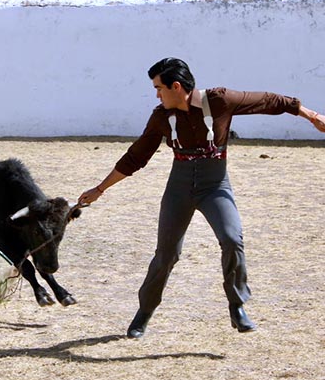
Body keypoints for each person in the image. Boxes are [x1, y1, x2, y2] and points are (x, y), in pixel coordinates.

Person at [79, 57, 325, 339]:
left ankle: (237, 305)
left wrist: (313, 116)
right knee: (167, 254)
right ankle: (144, 312)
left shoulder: (220, 100)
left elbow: (270, 101)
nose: (157, 94)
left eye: (159, 88)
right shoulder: (161, 117)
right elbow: (136, 156)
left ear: (175, 86)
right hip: (179, 188)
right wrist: (100, 189)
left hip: (215, 185)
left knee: (232, 238)